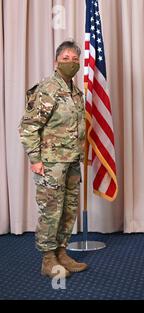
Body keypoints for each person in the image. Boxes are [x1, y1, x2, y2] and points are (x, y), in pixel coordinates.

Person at [19, 40, 88, 278]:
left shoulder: (76, 92)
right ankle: (48, 259)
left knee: (69, 208)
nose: (71, 62)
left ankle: (62, 252)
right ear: (56, 61)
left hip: (71, 161)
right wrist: (35, 159)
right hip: (50, 162)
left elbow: (78, 127)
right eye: (66, 58)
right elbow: (28, 127)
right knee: (51, 210)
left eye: (75, 58)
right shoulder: (47, 89)